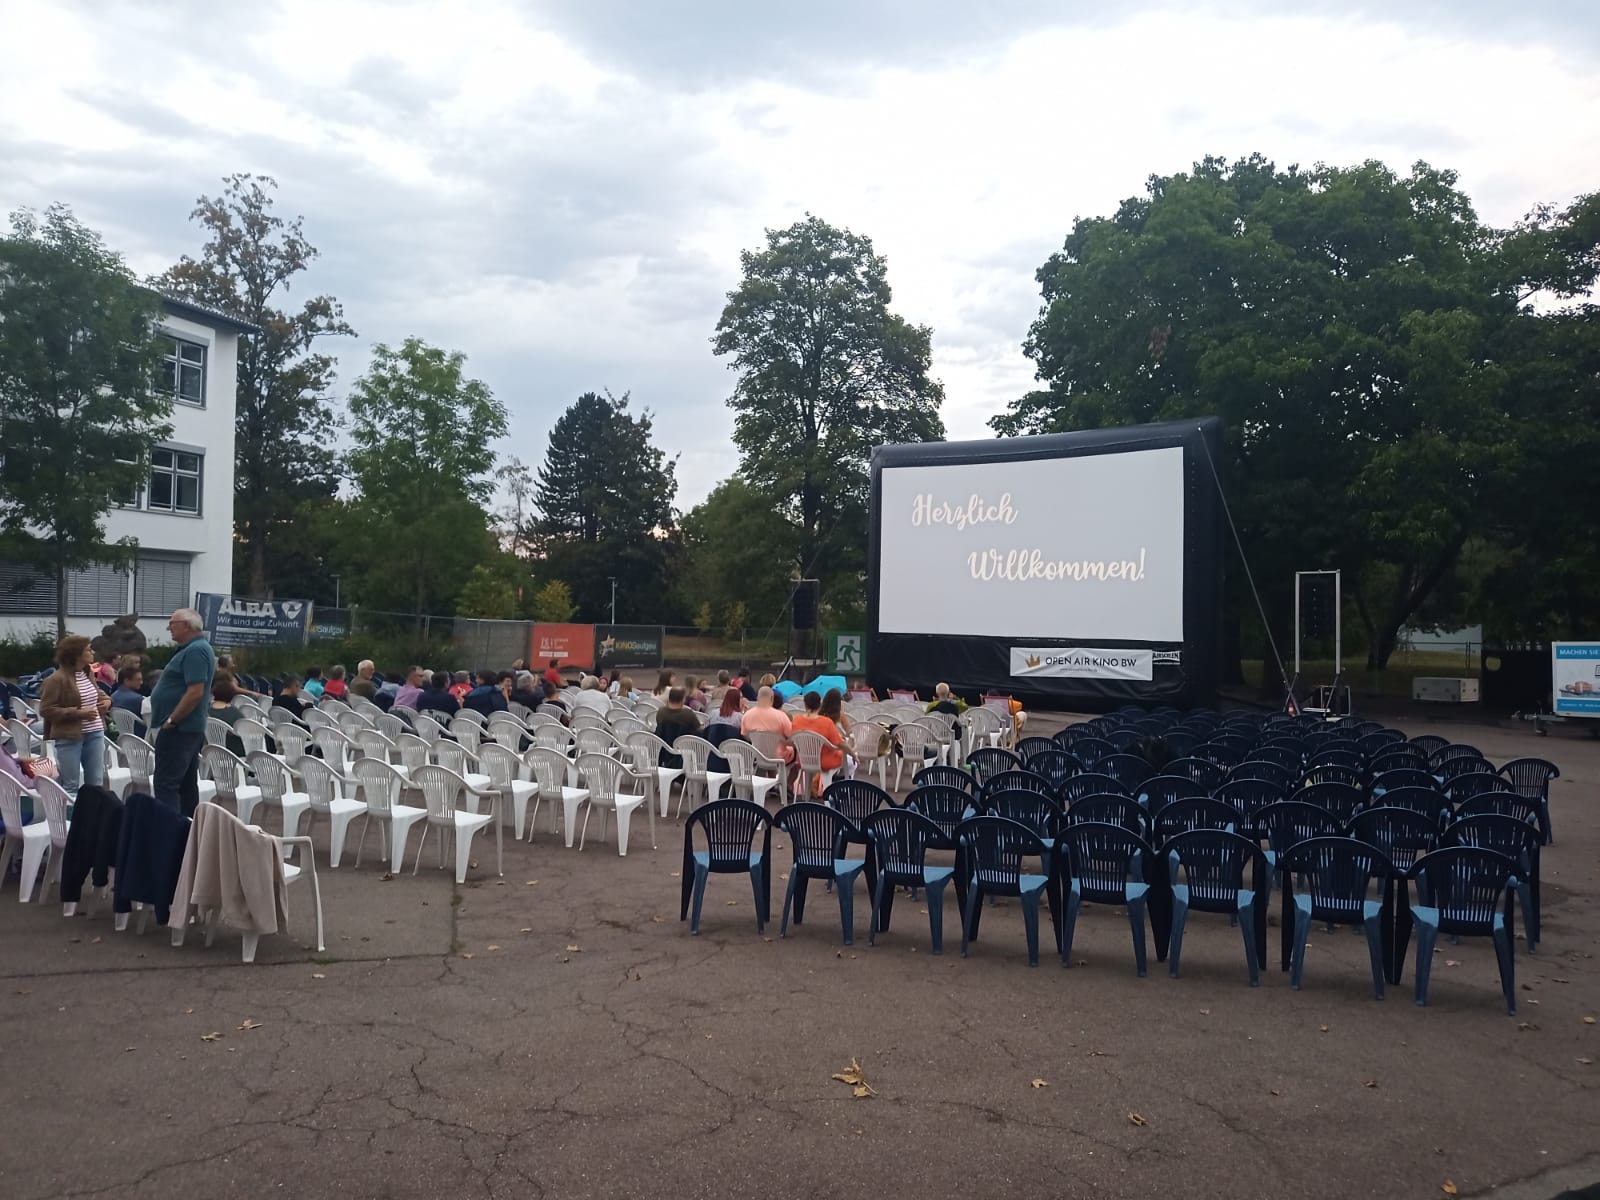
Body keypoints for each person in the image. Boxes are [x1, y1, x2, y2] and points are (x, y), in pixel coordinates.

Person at [149, 608, 215, 815]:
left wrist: (172, 720)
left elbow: (195, 691)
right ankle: (187, 831)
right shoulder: (192, 649)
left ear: (186, 625)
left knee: (165, 784)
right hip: (183, 728)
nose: (169, 627)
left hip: (180, 728)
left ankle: (168, 834)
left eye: (172, 623)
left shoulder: (196, 650)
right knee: (185, 785)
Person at [39, 635, 111, 795]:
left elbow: (98, 694)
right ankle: (68, 819)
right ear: (76, 654)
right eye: (88, 649)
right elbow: (46, 709)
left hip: (95, 733)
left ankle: (94, 817)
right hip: (69, 736)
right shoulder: (56, 679)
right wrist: (78, 713)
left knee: (96, 783)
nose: (92, 652)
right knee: (71, 785)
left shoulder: (87, 673)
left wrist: (107, 701)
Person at [790, 689, 844, 795]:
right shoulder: (826, 722)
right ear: (819, 704)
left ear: (805, 705)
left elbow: (792, 740)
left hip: (804, 760)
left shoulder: (796, 720)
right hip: (824, 761)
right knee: (846, 758)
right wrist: (853, 753)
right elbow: (839, 743)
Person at [740, 685, 795, 769]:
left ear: (758, 698)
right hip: (778, 757)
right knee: (793, 750)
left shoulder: (747, 715)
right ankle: (785, 779)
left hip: (757, 754)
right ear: (772, 698)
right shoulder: (781, 716)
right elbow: (791, 737)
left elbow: (744, 735)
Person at [652, 687, 700, 769]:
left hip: (664, 750)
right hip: (684, 752)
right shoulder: (687, 714)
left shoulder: (661, 712)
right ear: (682, 699)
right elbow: (698, 728)